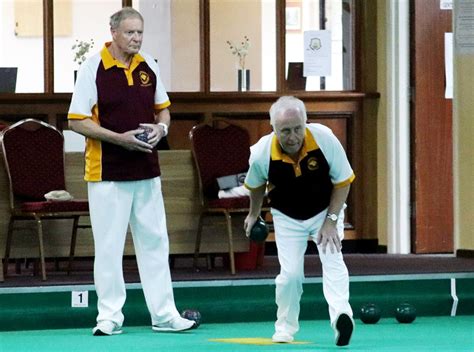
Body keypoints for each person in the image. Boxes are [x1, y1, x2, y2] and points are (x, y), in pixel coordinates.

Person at [67, 7, 195, 336]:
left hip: (147, 170)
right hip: (106, 172)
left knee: (156, 242)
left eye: (140, 32)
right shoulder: (92, 67)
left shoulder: (149, 65)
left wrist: (161, 131)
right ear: (113, 33)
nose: (136, 38)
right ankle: (109, 317)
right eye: (130, 33)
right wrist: (118, 139)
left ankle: (165, 315)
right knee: (108, 247)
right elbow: (76, 119)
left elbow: (163, 111)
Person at [244, 96, 355, 346]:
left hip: (326, 210)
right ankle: (284, 328)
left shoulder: (324, 139)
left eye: (297, 129)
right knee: (291, 274)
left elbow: (343, 181)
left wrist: (331, 220)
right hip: (287, 215)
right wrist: (254, 214)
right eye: (285, 131)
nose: (292, 136)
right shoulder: (262, 152)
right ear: (273, 129)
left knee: (333, 259)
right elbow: (256, 185)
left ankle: (341, 316)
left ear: (305, 123)